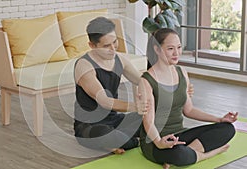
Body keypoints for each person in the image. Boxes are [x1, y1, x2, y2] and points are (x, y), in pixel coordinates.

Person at [138, 28, 238, 169]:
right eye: (170, 48)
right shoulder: (146, 80)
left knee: (228, 129)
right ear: (157, 49)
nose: (176, 53)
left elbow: (189, 110)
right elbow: (148, 121)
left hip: (179, 135)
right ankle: (209, 154)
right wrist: (160, 142)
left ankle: (188, 154)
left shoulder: (181, 72)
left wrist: (219, 119)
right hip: (154, 141)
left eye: (179, 47)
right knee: (179, 154)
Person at [73, 17, 143, 154]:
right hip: (90, 126)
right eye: (106, 46)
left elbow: (142, 81)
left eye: (115, 42)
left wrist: (178, 87)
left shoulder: (120, 59)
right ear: (92, 45)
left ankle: (122, 141)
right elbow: (104, 101)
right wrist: (135, 106)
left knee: (151, 119)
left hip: (115, 120)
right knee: (109, 135)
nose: (113, 49)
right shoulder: (84, 66)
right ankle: (133, 141)